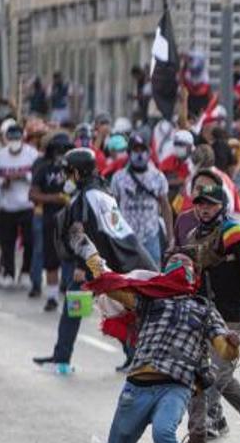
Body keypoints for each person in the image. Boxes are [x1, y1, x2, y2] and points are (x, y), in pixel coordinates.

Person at [92, 250, 240, 443]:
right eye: (173, 263)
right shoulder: (149, 300)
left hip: (175, 386)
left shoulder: (204, 309)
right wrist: (90, 255)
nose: (179, 267)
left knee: (164, 432)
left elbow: (224, 347)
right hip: (136, 388)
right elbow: (112, 287)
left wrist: (232, 344)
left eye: (185, 264)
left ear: (195, 276)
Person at [33, 148, 157, 369]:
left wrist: (83, 267)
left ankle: (63, 358)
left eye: (69, 172)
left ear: (79, 173)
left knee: (84, 305)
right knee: (110, 307)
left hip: (106, 261)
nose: (66, 178)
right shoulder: (101, 190)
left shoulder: (86, 197)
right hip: (122, 258)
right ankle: (132, 356)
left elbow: (82, 233)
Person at [179, 182, 240, 443]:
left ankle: (199, 432)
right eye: (200, 204)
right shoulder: (192, 236)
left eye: (210, 204)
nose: (204, 209)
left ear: (222, 206)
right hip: (201, 316)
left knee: (214, 378)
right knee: (204, 376)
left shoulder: (236, 234)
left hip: (231, 320)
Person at [0, 121, 39, 293]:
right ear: (7, 139)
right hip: (7, 205)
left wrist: (23, 176)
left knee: (29, 241)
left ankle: (25, 272)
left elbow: (38, 176)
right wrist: (5, 181)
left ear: (22, 138)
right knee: (7, 242)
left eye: (17, 138)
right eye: (11, 138)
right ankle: (9, 273)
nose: (14, 141)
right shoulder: (0, 156)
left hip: (27, 204)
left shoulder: (32, 154)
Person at [111, 133, 173, 266]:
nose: (139, 154)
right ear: (128, 152)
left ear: (149, 152)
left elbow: (165, 207)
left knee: (153, 279)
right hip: (127, 239)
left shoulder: (158, 177)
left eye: (142, 150)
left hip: (151, 238)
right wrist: (114, 234)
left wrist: (170, 236)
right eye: (135, 150)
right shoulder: (118, 178)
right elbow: (113, 208)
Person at [29, 133, 72, 312]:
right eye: (59, 149)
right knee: (51, 258)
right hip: (51, 219)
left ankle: (72, 296)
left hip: (73, 220)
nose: (62, 153)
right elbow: (32, 194)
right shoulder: (43, 168)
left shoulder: (75, 168)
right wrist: (54, 198)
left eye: (65, 149)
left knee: (73, 259)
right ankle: (52, 296)